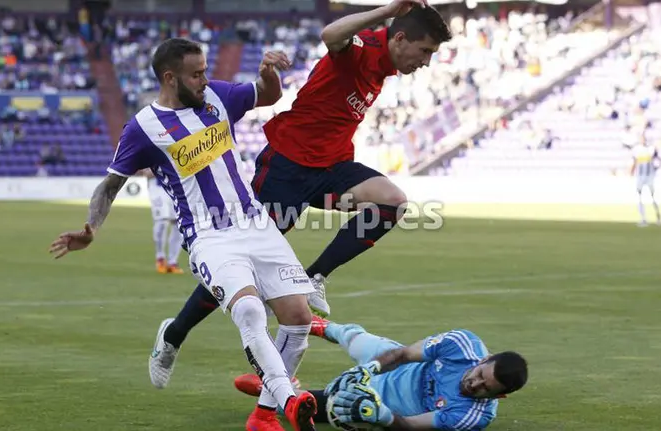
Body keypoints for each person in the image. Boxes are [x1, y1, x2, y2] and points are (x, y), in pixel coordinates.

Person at [150, 0, 453, 390]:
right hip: (287, 168)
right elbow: (331, 35)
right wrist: (390, 8)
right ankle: (173, 334)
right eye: (425, 50)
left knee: (392, 202)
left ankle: (314, 277)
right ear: (399, 37)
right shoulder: (363, 49)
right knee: (240, 262)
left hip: (330, 169)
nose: (426, 61)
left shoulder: (385, 66)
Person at [49, 38, 320, 431]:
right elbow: (110, 185)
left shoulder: (216, 96)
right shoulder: (143, 128)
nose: (204, 79)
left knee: (298, 320)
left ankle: (263, 415)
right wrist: (91, 228)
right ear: (169, 78)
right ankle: (289, 401)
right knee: (248, 310)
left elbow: (267, 95)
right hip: (208, 236)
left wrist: (267, 74)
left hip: (256, 224)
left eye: (206, 70)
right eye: (196, 74)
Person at [235, 316, 528, 430]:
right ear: (485, 358)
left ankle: (279, 387)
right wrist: (371, 367)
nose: (474, 383)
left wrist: (382, 416)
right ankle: (319, 325)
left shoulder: (473, 415)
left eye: (484, 388)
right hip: (395, 366)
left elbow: (411, 427)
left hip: (379, 401)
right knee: (361, 342)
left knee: (309, 408)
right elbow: (403, 354)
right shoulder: (463, 345)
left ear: (497, 395)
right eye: (479, 373)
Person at [144, 169, 185, 274]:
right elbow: (144, 171)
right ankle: (160, 258)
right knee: (162, 222)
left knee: (179, 224)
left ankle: (172, 262)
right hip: (158, 187)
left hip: (177, 186)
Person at [630, 137, 661, 227]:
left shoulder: (650, 149)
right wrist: (631, 172)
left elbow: (656, 157)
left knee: (653, 197)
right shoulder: (637, 150)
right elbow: (634, 161)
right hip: (640, 177)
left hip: (649, 177)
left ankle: (658, 216)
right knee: (639, 198)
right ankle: (643, 219)